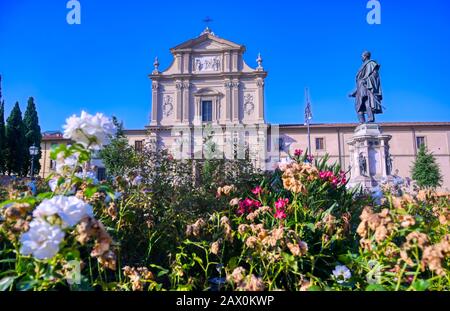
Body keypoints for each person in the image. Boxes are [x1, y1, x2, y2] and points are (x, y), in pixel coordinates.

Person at [349, 51, 383, 123]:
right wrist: (354, 92)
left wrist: (366, 81)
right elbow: (359, 82)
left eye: (362, 56)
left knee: (367, 102)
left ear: (365, 56)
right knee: (358, 106)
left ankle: (370, 119)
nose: (361, 57)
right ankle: (362, 122)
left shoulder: (371, 64)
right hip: (360, 88)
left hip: (366, 87)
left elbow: (375, 76)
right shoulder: (363, 66)